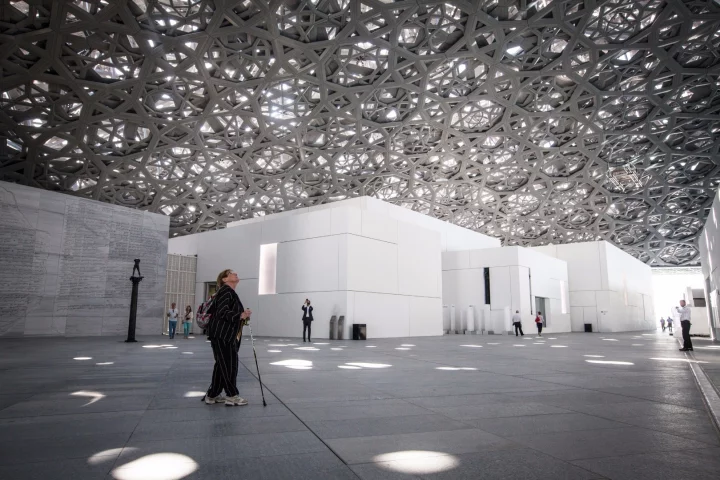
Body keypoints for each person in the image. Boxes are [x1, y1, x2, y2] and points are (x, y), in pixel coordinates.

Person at [205, 269, 252, 406]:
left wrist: (242, 315)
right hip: (223, 334)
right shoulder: (226, 291)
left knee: (222, 365)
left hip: (222, 334)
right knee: (229, 365)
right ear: (224, 279)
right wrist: (240, 315)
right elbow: (222, 311)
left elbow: (225, 311)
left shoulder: (228, 292)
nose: (235, 273)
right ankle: (232, 396)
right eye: (231, 272)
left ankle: (212, 395)